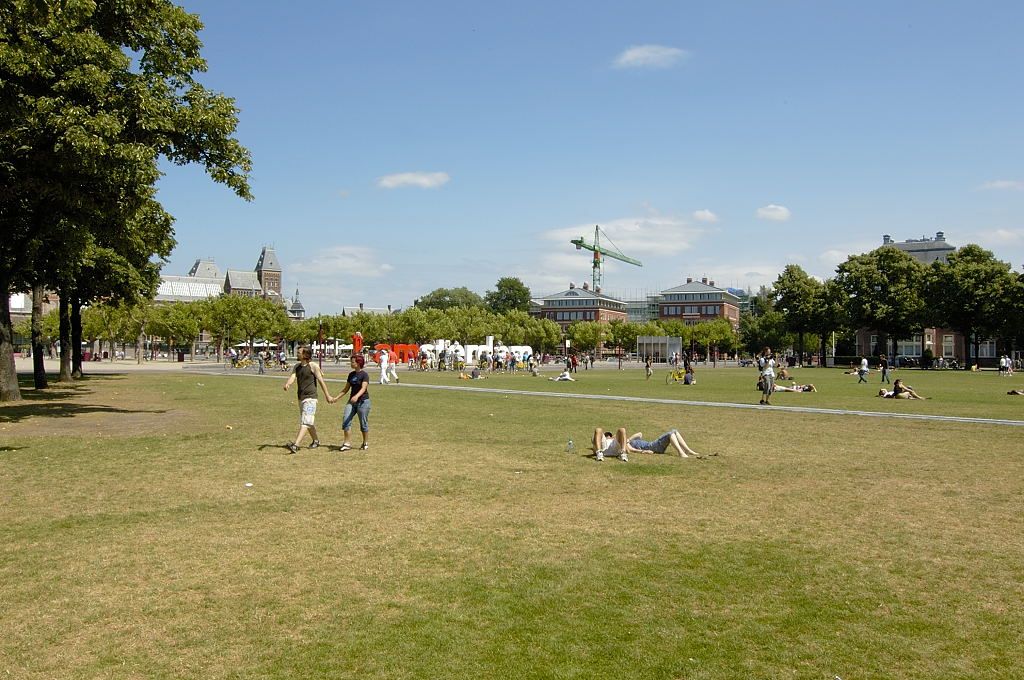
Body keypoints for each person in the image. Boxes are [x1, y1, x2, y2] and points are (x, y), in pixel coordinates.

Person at [282, 347, 335, 454]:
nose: (297, 354)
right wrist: (288, 384)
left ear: (305, 355)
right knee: (308, 421)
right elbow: (293, 376)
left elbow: (321, 381)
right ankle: (316, 440)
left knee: (305, 421)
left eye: (299, 353)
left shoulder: (313, 366)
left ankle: (296, 445)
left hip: (311, 398)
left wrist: (327, 396)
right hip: (300, 398)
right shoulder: (297, 366)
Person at [329, 354, 371, 450]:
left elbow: (364, 388)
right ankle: (347, 443)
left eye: (353, 362)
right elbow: (346, 389)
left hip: (363, 402)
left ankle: (365, 443)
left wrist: (356, 396)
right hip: (352, 402)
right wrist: (336, 398)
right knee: (346, 420)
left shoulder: (364, 375)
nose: (351, 363)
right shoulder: (351, 375)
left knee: (363, 423)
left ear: (358, 363)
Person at [593, 427, 704, 460]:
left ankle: (688, 450)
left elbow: (640, 433)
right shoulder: (623, 443)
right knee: (671, 433)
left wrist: (627, 438)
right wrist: (643, 451)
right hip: (652, 446)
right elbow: (630, 449)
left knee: (674, 431)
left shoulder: (624, 440)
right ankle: (681, 452)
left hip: (649, 444)